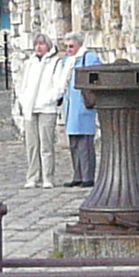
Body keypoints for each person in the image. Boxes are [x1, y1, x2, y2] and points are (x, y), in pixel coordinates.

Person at [13, 33, 61, 187]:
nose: (39, 47)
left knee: (46, 144)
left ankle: (48, 176)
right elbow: (23, 82)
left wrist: (48, 99)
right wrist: (23, 99)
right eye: (36, 44)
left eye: (42, 44)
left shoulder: (55, 63)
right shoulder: (30, 63)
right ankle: (33, 176)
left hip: (46, 108)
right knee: (32, 144)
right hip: (30, 107)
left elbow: (59, 85)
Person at [61, 34, 99, 188]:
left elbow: (96, 76)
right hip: (70, 105)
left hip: (83, 105)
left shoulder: (89, 58)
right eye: (67, 46)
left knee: (85, 143)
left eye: (71, 46)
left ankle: (87, 176)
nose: (68, 49)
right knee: (74, 143)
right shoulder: (67, 61)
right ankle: (77, 174)